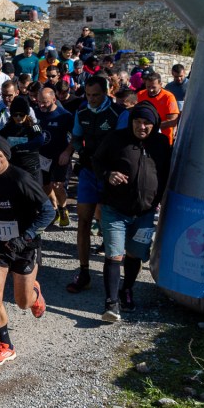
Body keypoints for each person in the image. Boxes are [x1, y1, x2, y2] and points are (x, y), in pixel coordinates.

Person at [0, 137, 53, 365]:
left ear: (6, 157)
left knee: (22, 302)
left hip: (24, 246)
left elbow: (48, 212)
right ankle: (6, 346)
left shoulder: (21, 179)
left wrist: (25, 237)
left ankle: (34, 294)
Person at [93, 102, 171, 322]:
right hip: (114, 209)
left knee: (135, 254)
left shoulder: (161, 143)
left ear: (154, 124)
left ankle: (126, 289)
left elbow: (166, 172)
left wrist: (160, 199)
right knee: (114, 254)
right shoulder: (115, 138)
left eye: (147, 123)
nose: (141, 126)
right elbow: (96, 161)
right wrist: (108, 174)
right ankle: (111, 303)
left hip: (145, 213)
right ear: (131, 121)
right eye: (137, 121)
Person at [59, 76, 124, 294]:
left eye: (96, 95)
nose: (91, 99)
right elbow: (76, 137)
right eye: (88, 95)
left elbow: (125, 144)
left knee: (111, 224)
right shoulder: (82, 111)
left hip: (110, 175)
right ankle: (84, 272)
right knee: (83, 221)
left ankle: (113, 276)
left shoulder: (119, 113)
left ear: (106, 93)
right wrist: (75, 151)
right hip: (88, 171)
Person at [36, 88, 75, 227]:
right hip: (42, 156)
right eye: (39, 101)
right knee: (45, 186)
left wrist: (67, 152)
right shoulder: (36, 113)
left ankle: (63, 208)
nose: (41, 105)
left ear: (54, 100)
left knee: (57, 185)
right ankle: (54, 209)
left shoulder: (64, 116)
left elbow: (76, 136)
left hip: (60, 156)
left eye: (45, 102)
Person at [0, 98, 45, 178]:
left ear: (26, 114)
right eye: (15, 115)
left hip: (31, 168)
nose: (18, 117)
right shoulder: (7, 128)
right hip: (13, 168)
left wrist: (20, 147)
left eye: (21, 115)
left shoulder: (33, 126)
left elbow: (40, 140)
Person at [136, 70, 180, 145]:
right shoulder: (140, 94)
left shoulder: (168, 97)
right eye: (148, 87)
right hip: (143, 137)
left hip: (163, 139)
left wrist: (152, 126)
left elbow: (173, 121)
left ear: (160, 85)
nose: (151, 90)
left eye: (154, 87)